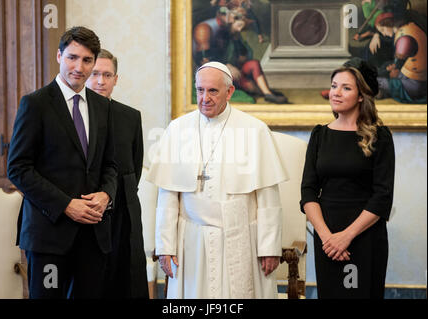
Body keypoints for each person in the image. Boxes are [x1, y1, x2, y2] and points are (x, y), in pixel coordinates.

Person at [147, 61, 288, 298]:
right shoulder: (177, 129)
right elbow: (168, 195)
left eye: (212, 91)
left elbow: (268, 197)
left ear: (230, 92)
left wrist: (269, 247)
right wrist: (165, 247)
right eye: (200, 90)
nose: (204, 98)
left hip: (241, 236)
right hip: (191, 241)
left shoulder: (255, 130)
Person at [7, 27, 117, 299]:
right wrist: (66, 205)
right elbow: (18, 168)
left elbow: (112, 164)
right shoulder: (35, 104)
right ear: (59, 56)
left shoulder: (103, 107)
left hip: (93, 237)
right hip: (49, 237)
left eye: (87, 60)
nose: (79, 67)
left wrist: (107, 194)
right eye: (72, 57)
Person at [300, 57, 395, 299]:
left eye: (346, 87)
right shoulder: (320, 134)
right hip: (327, 238)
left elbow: (382, 196)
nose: (336, 93)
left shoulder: (380, 136)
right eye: (334, 86)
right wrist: (327, 237)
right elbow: (308, 192)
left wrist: (346, 237)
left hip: (365, 237)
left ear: (361, 95)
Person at [86, 49, 148, 298]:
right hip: (87, 209)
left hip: (123, 210)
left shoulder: (130, 116)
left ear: (116, 79)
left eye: (107, 75)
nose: (101, 81)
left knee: (126, 282)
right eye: (96, 74)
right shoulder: (74, 115)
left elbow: (134, 163)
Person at [193, 7, 288, 104]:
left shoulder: (233, 34)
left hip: (234, 69)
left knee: (254, 63)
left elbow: (243, 58)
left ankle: (268, 94)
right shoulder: (213, 32)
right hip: (218, 72)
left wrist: (236, 38)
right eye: (237, 24)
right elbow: (206, 58)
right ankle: (262, 92)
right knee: (248, 85)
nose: (239, 28)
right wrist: (226, 66)